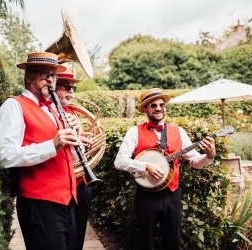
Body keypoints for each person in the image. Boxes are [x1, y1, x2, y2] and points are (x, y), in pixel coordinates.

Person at [0, 52, 81, 250]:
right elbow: (3, 155)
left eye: (54, 75)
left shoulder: (52, 109)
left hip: (67, 201)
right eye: (44, 74)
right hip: (39, 203)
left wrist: (76, 138)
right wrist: (52, 145)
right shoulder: (14, 105)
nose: (50, 79)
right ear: (28, 76)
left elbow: (68, 157)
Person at [114, 88, 216, 250]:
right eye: (153, 105)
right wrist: (145, 165)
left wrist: (209, 157)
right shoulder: (134, 132)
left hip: (172, 195)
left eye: (162, 105)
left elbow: (195, 161)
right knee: (144, 242)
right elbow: (119, 162)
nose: (159, 108)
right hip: (146, 197)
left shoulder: (178, 131)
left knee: (172, 242)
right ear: (145, 109)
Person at [54, 68, 92, 250]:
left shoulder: (73, 112)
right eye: (66, 87)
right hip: (60, 184)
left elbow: (78, 147)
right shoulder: (49, 113)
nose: (70, 91)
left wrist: (84, 141)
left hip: (81, 182)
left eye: (72, 88)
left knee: (78, 235)